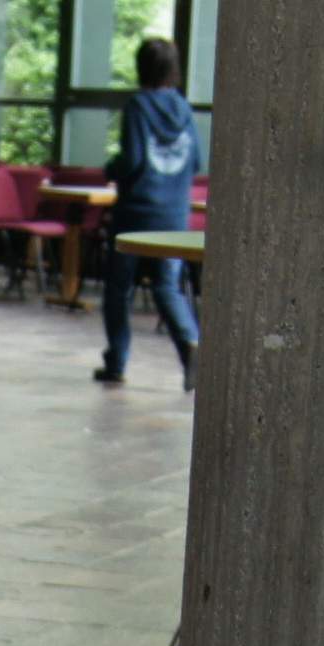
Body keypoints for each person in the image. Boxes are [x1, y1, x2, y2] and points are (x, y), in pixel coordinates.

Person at [96, 36, 202, 390]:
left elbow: (133, 160)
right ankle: (190, 345)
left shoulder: (137, 106)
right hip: (174, 215)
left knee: (118, 288)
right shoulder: (184, 109)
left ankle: (116, 362)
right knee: (167, 286)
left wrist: (110, 170)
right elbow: (196, 161)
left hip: (136, 213)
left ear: (141, 68)